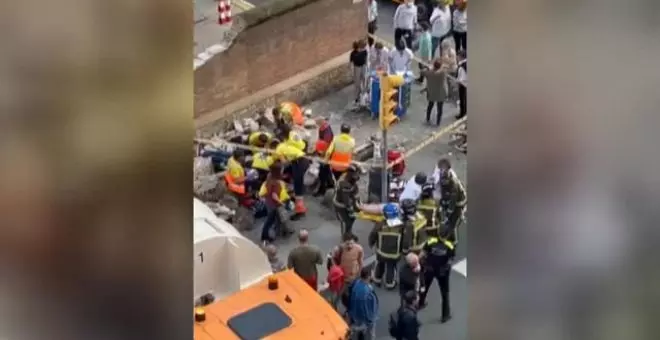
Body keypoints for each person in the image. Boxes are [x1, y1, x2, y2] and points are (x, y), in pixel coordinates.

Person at [418, 236, 455, 322]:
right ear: (447, 235)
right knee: (445, 293)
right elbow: (450, 260)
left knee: (424, 287)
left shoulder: (431, 241)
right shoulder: (450, 245)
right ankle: (445, 315)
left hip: (430, 269)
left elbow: (423, 253)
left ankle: (420, 303)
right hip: (442, 273)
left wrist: (418, 263)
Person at [275, 125, 308, 220]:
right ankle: (300, 204)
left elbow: (284, 162)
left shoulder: (280, 148)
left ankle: (300, 211)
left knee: (298, 190)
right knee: (299, 186)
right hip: (304, 160)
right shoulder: (293, 135)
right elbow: (303, 145)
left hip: (297, 164)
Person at [369, 203, 404, 289]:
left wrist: (371, 243)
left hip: (381, 252)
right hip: (394, 254)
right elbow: (405, 239)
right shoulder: (401, 226)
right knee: (391, 267)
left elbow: (373, 234)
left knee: (380, 265)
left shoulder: (380, 224)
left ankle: (377, 280)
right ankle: (390, 284)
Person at [258, 163, 292, 245]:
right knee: (270, 221)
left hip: (269, 203)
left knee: (275, 218)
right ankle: (265, 236)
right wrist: (281, 203)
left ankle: (278, 231)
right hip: (274, 204)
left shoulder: (270, 178)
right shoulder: (276, 183)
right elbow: (274, 196)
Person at [318, 123, 356, 196]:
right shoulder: (352, 141)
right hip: (345, 166)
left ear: (340, 131)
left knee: (323, 170)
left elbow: (329, 152)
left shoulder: (336, 139)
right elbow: (353, 153)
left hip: (334, 166)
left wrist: (325, 161)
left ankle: (324, 189)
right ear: (349, 132)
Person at [437, 161, 466, 245]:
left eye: (444, 181)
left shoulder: (454, 186)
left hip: (459, 202)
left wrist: (447, 215)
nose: (443, 182)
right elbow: (443, 191)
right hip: (450, 197)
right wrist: (443, 201)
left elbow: (452, 204)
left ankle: (454, 241)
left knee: (453, 223)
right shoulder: (443, 177)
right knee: (446, 217)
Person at [347, 267, 379, 340]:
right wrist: (370, 319)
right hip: (366, 318)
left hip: (356, 314)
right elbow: (367, 308)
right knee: (370, 334)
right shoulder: (367, 292)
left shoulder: (356, 284)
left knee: (360, 329)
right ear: (368, 277)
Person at [332, 164, 362, 236]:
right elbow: (346, 201)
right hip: (341, 206)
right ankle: (346, 236)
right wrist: (352, 209)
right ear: (352, 173)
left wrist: (358, 204)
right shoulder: (345, 184)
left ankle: (349, 232)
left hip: (347, 201)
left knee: (353, 218)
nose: (358, 176)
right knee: (348, 221)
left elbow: (354, 194)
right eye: (357, 173)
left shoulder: (349, 179)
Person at [421, 59, 449, 126]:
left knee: (430, 106)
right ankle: (438, 122)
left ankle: (428, 119)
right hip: (440, 93)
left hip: (431, 92)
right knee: (440, 108)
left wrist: (428, 68)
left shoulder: (429, 73)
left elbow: (422, 72)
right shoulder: (442, 73)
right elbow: (445, 68)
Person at [350, 40, 368, 105]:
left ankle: (364, 94)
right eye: (362, 47)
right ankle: (356, 98)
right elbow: (351, 63)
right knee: (357, 83)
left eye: (364, 47)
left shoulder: (364, 51)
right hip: (357, 67)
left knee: (364, 80)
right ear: (359, 47)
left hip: (363, 66)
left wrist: (366, 65)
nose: (363, 48)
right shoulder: (353, 53)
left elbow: (365, 58)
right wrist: (352, 72)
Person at [456, 50, 467, 119]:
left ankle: (462, 114)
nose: (457, 57)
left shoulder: (462, 67)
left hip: (463, 85)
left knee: (462, 99)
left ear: (461, 57)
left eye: (458, 56)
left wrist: (457, 81)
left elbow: (462, 79)